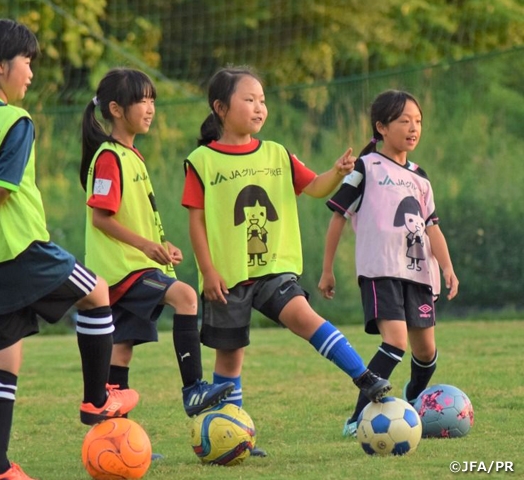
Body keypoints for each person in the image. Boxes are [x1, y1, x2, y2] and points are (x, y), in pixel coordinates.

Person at [0, 20, 138, 480]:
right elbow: (2, 187)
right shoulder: (14, 121)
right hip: (21, 249)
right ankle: (96, 399)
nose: (30, 73)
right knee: (98, 291)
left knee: (4, 359)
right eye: (26, 62)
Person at [181, 66, 392, 455]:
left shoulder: (276, 153)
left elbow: (313, 187)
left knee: (304, 317)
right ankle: (235, 436)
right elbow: (195, 220)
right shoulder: (202, 160)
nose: (259, 107)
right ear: (220, 108)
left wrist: (337, 172)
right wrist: (209, 271)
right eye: (249, 99)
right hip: (228, 277)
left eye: (262, 100)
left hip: (275, 268)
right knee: (230, 358)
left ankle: (364, 377)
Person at [78, 68, 235, 425]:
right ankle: (193, 388)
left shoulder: (131, 155)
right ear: (116, 109)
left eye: (152, 100)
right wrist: (148, 248)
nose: (150, 108)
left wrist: (161, 244)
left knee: (121, 349)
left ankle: (114, 432)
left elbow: (130, 215)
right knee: (185, 297)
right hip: (123, 268)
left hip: (136, 264)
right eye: (141, 101)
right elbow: (101, 218)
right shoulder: (109, 157)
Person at [318, 89, 459, 437]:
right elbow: (338, 217)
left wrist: (447, 267)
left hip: (420, 274)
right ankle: (357, 418)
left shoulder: (421, 176)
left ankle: (414, 401)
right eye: (404, 121)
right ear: (381, 127)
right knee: (395, 341)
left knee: (426, 351)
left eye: (418, 121)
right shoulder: (366, 167)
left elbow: (432, 228)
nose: (413, 128)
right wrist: (327, 269)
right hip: (381, 270)